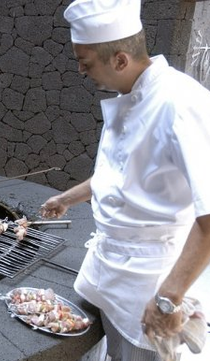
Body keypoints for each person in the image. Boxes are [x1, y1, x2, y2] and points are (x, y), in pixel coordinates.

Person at [39, 0, 210, 360]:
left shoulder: (181, 103)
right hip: (109, 269)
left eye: (86, 63)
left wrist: (168, 298)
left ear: (120, 59)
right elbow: (119, 176)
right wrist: (68, 198)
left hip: (150, 281)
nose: (82, 73)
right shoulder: (130, 96)